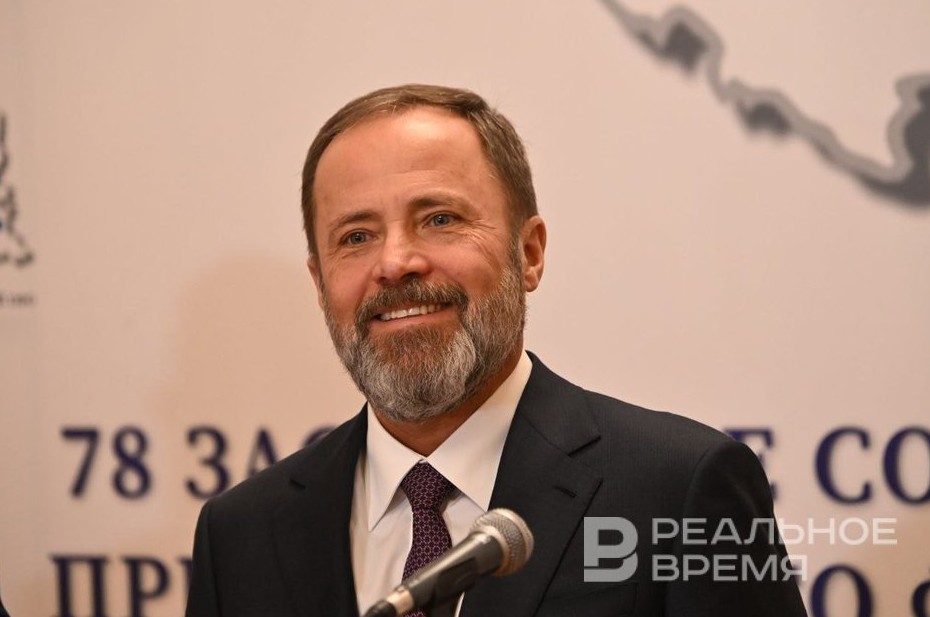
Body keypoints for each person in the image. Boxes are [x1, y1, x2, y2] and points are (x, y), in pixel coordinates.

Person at [185, 84, 807, 617]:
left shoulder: (678, 488)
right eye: (356, 236)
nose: (395, 263)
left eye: (439, 219)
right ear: (321, 284)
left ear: (528, 253)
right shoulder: (242, 532)